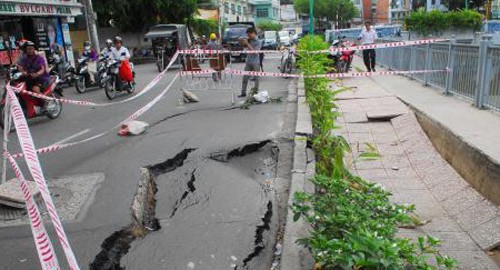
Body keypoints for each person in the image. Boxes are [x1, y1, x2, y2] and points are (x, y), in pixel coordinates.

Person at [239, 27, 262, 98]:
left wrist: (248, 44)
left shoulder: (258, 41)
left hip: (255, 62)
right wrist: (242, 42)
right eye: (248, 35)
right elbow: (244, 46)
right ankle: (243, 92)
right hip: (248, 61)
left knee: (256, 78)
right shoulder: (249, 40)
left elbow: (255, 52)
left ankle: (255, 93)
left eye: (249, 34)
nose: (248, 36)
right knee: (245, 77)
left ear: (253, 33)